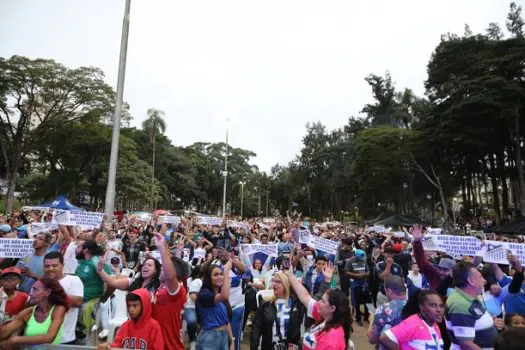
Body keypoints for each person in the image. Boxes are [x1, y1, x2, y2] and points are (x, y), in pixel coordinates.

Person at [285, 262, 351, 350]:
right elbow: (305, 297)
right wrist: (290, 275)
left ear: (332, 308)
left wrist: (332, 280)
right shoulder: (325, 317)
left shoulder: (331, 339)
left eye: (323, 301)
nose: (318, 302)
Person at [0, 276, 68, 349]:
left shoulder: (58, 309)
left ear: (47, 292)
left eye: (35, 290)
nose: (30, 294)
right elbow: (3, 334)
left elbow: (49, 337)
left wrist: (15, 340)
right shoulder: (28, 312)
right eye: (31, 290)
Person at [445, 261, 499, 350]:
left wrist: (489, 322)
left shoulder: (467, 297)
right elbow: (466, 345)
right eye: (481, 277)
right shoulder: (460, 305)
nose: (484, 281)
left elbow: (472, 320)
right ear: (471, 280)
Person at [250, 270, 305, 350]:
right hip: (269, 346)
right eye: (273, 281)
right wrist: (254, 347)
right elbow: (256, 329)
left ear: (286, 285)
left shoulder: (296, 304)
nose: (274, 284)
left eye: (278, 282)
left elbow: (311, 301)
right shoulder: (266, 304)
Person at [97, 288, 164, 350]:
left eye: (135, 305)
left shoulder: (154, 327)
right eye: (129, 305)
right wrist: (109, 347)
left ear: (144, 305)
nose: (131, 309)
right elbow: (117, 345)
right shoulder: (125, 326)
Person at [379, 289, 445, 349]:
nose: (439, 310)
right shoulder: (413, 323)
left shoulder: (435, 325)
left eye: (441, 306)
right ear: (421, 306)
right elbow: (385, 338)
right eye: (433, 305)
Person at [43, 251, 84, 345]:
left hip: (65, 339)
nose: (50, 269)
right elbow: (30, 303)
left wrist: (50, 294)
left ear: (62, 265)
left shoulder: (73, 280)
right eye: (47, 266)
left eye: (54, 265)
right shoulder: (40, 283)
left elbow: (78, 302)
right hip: (41, 338)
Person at [196, 261, 234, 350]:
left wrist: (232, 341)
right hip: (209, 338)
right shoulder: (204, 294)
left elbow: (226, 321)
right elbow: (224, 296)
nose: (220, 277)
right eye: (216, 274)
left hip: (224, 336)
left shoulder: (220, 297)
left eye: (221, 274)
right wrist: (226, 271)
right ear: (209, 278)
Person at [368, 275, 407, 348]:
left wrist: (371, 319)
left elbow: (372, 339)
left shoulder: (383, 309)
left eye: (385, 291)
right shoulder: (416, 307)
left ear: (389, 291)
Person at [345, 249, 370, 326]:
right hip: (355, 284)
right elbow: (346, 272)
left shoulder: (363, 260)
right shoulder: (350, 261)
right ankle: (358, 318)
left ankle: (367, 317)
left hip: (364, 283)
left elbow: (368, 270)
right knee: (356, 302)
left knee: (367, 301)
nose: (362, 259)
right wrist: (357, 275)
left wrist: (366, 274)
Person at [185, 265, 203, 350]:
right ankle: (192, 339)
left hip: (202, 308)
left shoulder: (209, 281)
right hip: (191, 306)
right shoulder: (195, 281)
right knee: (192, 321)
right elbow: (192, 296)